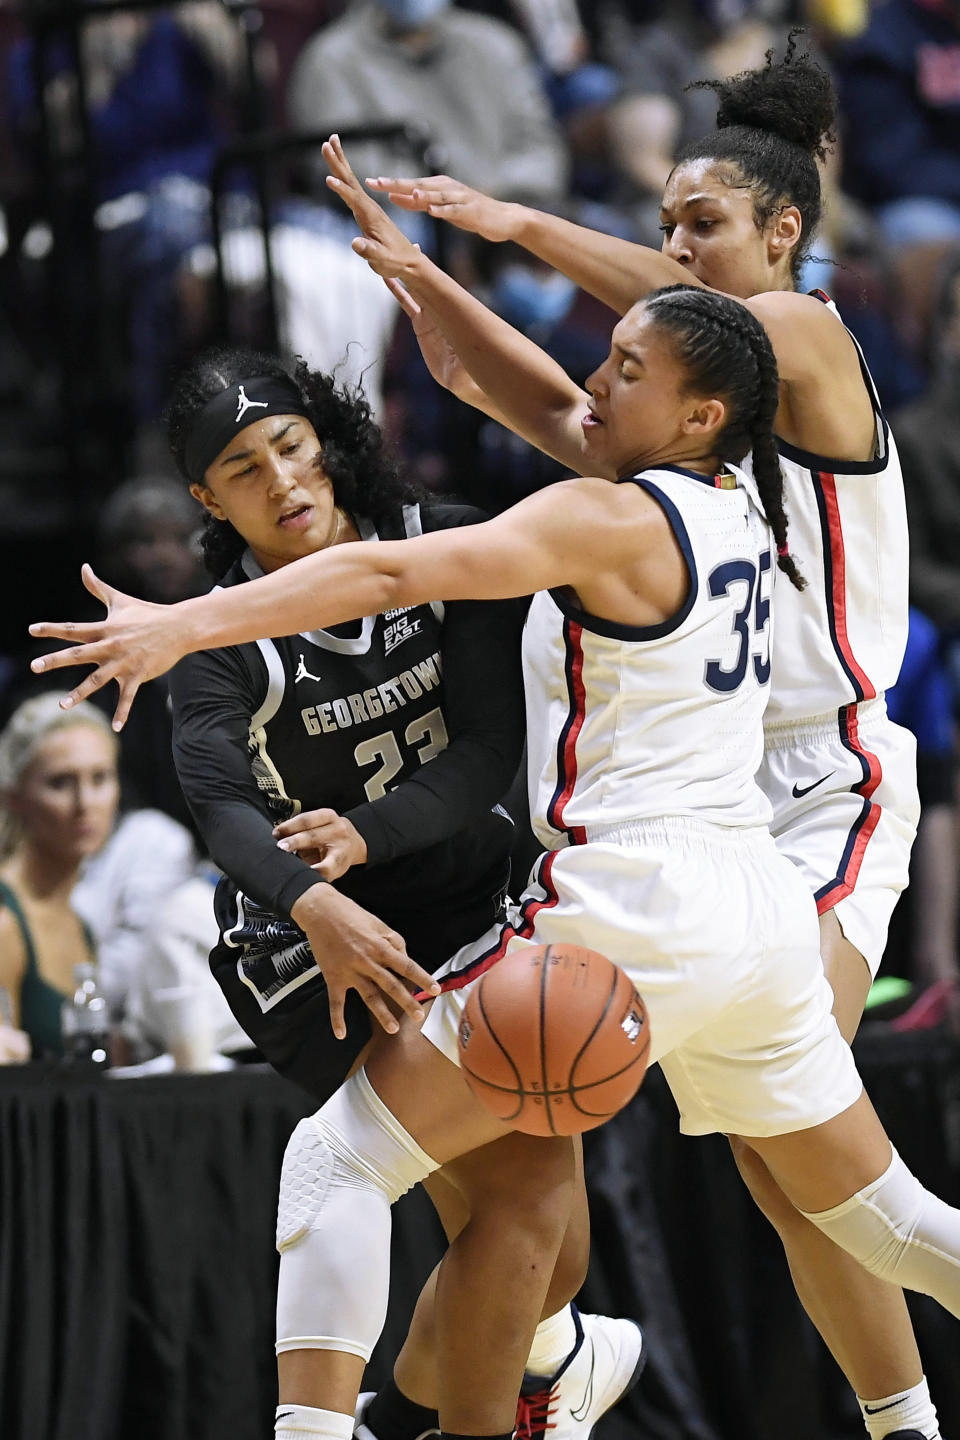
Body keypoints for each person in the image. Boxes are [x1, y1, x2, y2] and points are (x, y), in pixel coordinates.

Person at [30, 254, 960, 1440]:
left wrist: (177, 622)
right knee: (886, 1219)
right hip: (759, 913)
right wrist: (461, 259)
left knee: (337, 1168)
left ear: (696, 413)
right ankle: (576, 1374)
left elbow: (383, 571)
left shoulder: (600, 511)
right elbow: (516, 394)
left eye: (625, 367)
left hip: (629, 896)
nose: (594, 381)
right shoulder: (738, 501)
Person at [366, 37, 936, 1438]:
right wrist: (434, 297)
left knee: (816, 1164)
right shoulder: (700, 431)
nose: (673, 248)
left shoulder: (806, 331)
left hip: (830, 772)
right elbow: (564, 417)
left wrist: (517, 224)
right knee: (783, 1161)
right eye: (665, 222)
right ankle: (885, 1420)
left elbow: (684, 319)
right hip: (722, 801)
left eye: (700, 227)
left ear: (785, 232)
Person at [51, 343, 638, 1439]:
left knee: (552, 1257)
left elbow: (481, 759)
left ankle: (473, 1387)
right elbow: (221, 808)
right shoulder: (221, 635)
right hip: (309, 937)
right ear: (205, 497)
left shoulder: (442, 543)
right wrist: (317, 898)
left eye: (287, 445)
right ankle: (476, 1414)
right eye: (240, 468)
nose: (279, 480)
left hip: (466, 896)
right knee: (517, 1204)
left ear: (324, 439)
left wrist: (362, 838)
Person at [0, 693, 119, 1059]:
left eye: (100, 778)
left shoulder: (79, 924)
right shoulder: (5, 922)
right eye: (60, 783)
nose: (86, 803)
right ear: (14, 797)